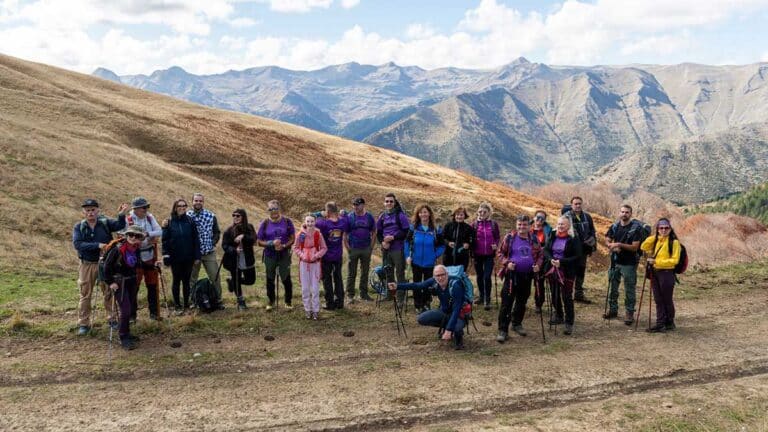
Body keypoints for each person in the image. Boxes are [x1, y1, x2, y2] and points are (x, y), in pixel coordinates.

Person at [71, 199, 129, 335]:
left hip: (105, 263)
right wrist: (98, 245)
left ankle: (112, 319)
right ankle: (84, 323)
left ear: (98, 211)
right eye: (87, 210)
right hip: (87, 264)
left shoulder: (105, 223)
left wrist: (121, 214)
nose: (90, 212)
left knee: (109, 291)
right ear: (83, 212)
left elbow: (120, 225)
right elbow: (78, 244)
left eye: (93, 209)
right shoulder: (79, 227)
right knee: (85, 294)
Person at [388, 265, 469, 350]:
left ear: (447, 274)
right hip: (444, 311)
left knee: (457, 326)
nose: (440, 278)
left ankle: (458, 337)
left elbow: (456, 309)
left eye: (443, 275)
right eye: (438, 275)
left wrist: (449, 330)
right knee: (421, 318)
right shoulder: (434, 281)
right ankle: (448, 327)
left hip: (459, 314)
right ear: (434, 276)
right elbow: (417, 285)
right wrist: (398, 286)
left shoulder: (456, 286)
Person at [496, 215, 543, 342]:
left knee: (522, 301)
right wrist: (507, 263)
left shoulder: (533, 239)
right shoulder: (510, 237)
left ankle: (516, 324)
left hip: (527, 276)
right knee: (507, 302)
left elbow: (540, 255)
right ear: (516, 225)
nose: (522, 227)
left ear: (529, 226)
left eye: (525, 225)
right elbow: (500, 253)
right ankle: (502, 329)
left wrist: (538, 265)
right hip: (512, 276)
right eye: (520, 224)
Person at [102, 224, 147, 350]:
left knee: (130, 308)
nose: (133, 237)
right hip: (119, 283)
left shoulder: (136, 248)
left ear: (140, 238)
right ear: (126, 235)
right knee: (126, 310)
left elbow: (138, 264)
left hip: (131, 281)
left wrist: (153, 265)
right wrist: (110, 282)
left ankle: (127, 333)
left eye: (136, 236)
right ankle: (123, 337)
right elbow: (106, 267)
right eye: (131, 235)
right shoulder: (117, 249)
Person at [640, 218, 682, 333]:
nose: (664, 230)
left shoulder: (674, 242)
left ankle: (669, 322)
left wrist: (657, 262)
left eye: (666, 228)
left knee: (666, 299)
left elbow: (675, 260)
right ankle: (660, 323)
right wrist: (656, 236)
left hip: (667, 273)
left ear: (670, 229)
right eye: (661, 228)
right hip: (655, 273)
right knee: (658, 299)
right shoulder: (656, 240)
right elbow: (643, 246)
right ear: (657, 229)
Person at [543, 216, 583, 335]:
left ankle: (569, 322)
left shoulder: (574, 238)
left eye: (563, 225)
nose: (560, 226)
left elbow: (577, 256)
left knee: (566, 296)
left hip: (567, 270)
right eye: (559, 224)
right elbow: (546, 250)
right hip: (553, 268)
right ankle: (559, 315)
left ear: (569, 226)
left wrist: (562, 262)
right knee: (555, 293)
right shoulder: (553, 234)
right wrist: (551, 260)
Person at [125, 197, 163, 321]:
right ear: (135, 209)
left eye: (147, 207)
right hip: (134, 257)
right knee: (133, 286)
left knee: (152, 285)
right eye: (143, 207)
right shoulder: (128, 220)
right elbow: (124, 236)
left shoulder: (150, 218)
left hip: (149, 256)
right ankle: (132, 315)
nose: (146, 209)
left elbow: (159, 231)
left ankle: (154, 313)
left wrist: (147, 234)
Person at [161, 198, 201, 314]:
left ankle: (186, 305)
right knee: (176, 280)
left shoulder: (190, 221)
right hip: (175, 258)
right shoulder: (169, 222)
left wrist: (197, 256)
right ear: (175, 207)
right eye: (179, 205)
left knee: (186, 281)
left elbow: (195, 240)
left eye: (184, 205)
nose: (182, 207)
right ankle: (177, 305)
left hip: (188, 257)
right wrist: (166, 255)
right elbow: (165, 241)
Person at [604, 204, 642, 325]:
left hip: (629, 263)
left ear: (631, 214)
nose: (624, 214)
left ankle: (629, 313)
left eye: (626, 212)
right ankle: (613, 310)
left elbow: (635, 247)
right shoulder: (615, 226)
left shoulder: (636, 229)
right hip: (615, 261)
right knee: (613, 287)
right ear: (619, 213)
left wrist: (619, 245)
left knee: (629, 289)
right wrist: (611, 245)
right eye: (622, 212)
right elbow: (607, 238)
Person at [405, 204, 444, 312]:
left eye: (425, 212)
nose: (423, 214)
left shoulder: (436, 229)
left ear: (429, 213)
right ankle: (418, 305)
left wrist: (435, 254)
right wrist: (408, 255)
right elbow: (407, 242)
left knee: (428, 284)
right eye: (421, 212)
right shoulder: (414, 228)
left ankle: (426, 303)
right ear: (418, 214)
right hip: (416, 261)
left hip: (429, 262)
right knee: (417, 283)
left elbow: (442, 245)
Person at [257, 200, 295, 310]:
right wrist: (270, 243)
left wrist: (283, 246)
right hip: (270, 255)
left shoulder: (287, 221)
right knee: (270, 279)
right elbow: (258, 241)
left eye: (275, 208)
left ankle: (288, 302)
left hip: (284, 255)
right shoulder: (264, 223)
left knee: (286, 279)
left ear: (279, 209)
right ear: (267, 210)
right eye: (271, 209)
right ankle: (271, 301)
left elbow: (292, 239)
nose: (273, 211)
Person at [187, 193, 223, 309]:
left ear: (203, 202)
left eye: (200, 201)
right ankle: (193, 300)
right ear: (192, 201)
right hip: (193, 253)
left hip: (209, 252)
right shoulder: (187, 215)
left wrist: (212, 243)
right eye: (196, 200)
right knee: (192, 278)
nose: (198, 202)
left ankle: (218, 300)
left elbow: (217, 232)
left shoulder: (210, 215)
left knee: (215, 277)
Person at [376, 193, 410, 302]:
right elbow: (379, 232)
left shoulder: (400, 215)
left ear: (394, 203)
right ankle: (389, 295)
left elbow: (406, 231)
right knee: (388, 271)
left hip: (398, 248)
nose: (389, 203)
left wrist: (393, 237)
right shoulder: (382, 216)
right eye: (387, 201)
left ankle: (400, 298)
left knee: (400, 273)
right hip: (386, 249)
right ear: (384, 203)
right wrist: (382, 242)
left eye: (391, 201)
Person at [315, 202, 350, 310]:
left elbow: (310, 218)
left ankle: (330, 303)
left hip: (326, 256)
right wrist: (343, 213)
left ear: (328, 212)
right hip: (338, 255)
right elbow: (347, 216)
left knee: (327, 279)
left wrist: (319, 213)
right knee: (338, 278)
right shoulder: (343, 221)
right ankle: (340, 302)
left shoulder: (323, 223)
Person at [293, 214, 328, 320]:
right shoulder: (300, 234)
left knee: (315, 289)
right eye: (308, 221)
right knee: (305, 288)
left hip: (315, 264)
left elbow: (324, 248)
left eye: (312, 221)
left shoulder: (318, 234)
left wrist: (316, 256)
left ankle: (316, 310)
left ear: (315, 222)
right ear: (305, 222)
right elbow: (295, 247)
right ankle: (307, 310)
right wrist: (302, 255)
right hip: (304, 264)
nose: (310, 224)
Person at [563, 196, 596, 303]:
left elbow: (592, 231)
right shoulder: (566, 217)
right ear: (571, 205)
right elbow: (565, 233)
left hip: (583, 251)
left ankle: (578, 294)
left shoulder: (587, 217)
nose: (578, 205)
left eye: (579, 203)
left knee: (580, 272)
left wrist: (592, 246)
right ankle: (568, 294)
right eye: (575, 204)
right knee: (570, 272)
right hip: (571, 251)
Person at [222, 209, 257, 310]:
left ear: (243, 217)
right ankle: (240, 302)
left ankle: (232, 282)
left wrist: (243, 236)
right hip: (234, 260)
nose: (235, 217)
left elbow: (254, 239)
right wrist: (234, 250)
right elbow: (224, 245)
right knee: (237, 279)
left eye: (238, 215)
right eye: (234, 215)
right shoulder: (228, 230)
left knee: (251, 280)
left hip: (248, 259)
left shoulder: (249, 227)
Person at [345, 197, 376, 302]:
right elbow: (344, 233)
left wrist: (371, 246)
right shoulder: (350, 216)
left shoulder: (369, 217)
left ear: (363, 205)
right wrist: (347, 247)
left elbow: (374, 231)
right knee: (351, 272)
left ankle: (363, 294)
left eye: (357, 205)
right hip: (353, 248)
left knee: (365, 272)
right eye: (354, 205)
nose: (355, 207)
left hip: (366, 248)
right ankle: (350, 295)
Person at [471, 202, 500, 311]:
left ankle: (487, 299)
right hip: (477, 254)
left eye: (484, 212)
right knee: (479, 276)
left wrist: (496, 245)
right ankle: (481, 296)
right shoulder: (474, 224)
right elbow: (470, 238)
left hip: (489, 255)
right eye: (480, 211)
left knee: (487, 277)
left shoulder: (493, 224)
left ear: (489, 213)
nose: (482, 213)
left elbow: (497, 237)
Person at [530, 210, 553, 314]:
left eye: (542, 218)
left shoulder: (548, 230)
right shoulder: (527, 227)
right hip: (527, 258)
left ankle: (538, 304)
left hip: (541, 260)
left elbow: (550, 245)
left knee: (538, 282)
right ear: (534, 217)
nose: (539, 220)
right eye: (538, 217)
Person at [442, 206, 473, 271]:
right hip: (448, 256)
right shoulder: (448, 226)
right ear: (454, 215)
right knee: (448, 277)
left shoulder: (468, 228)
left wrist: (468, 244)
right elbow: (442, 238)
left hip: (462, 258)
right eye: (457, 215)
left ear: (465, 216)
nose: (459, 217)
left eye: (461, 215)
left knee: (460, 277)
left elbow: (472, 241)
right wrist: (448, 243)